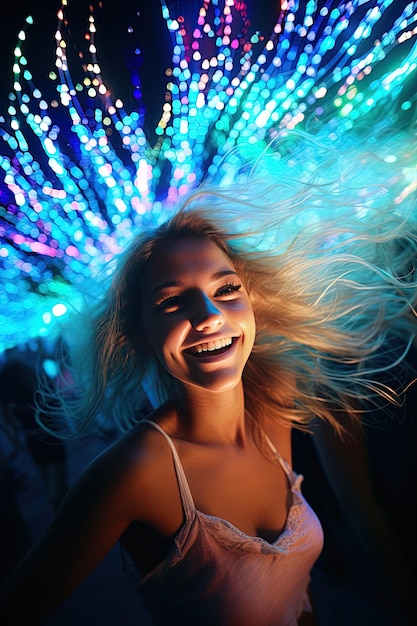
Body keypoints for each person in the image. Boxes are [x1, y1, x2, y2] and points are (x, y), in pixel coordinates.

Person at [0, 137, 416, 626]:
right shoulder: (135, 470)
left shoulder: (272, 404)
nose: (209, 315)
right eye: (172, 301)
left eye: (225, 289)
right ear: (138, 334)